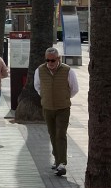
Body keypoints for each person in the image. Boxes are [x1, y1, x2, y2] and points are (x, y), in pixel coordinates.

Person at [33, 47, 80, 177]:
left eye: (53, 60)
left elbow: (74, 89)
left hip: (63, 108)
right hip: (47, 108)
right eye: (47, 60)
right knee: (52, 134)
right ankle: (57, 159)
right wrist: (45, 97)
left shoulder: (67, 71)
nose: (50, 63)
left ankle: (62, 163)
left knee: (61, 134)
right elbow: (37, 86)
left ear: (58, 59)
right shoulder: (39, 70)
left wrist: (64, 97)